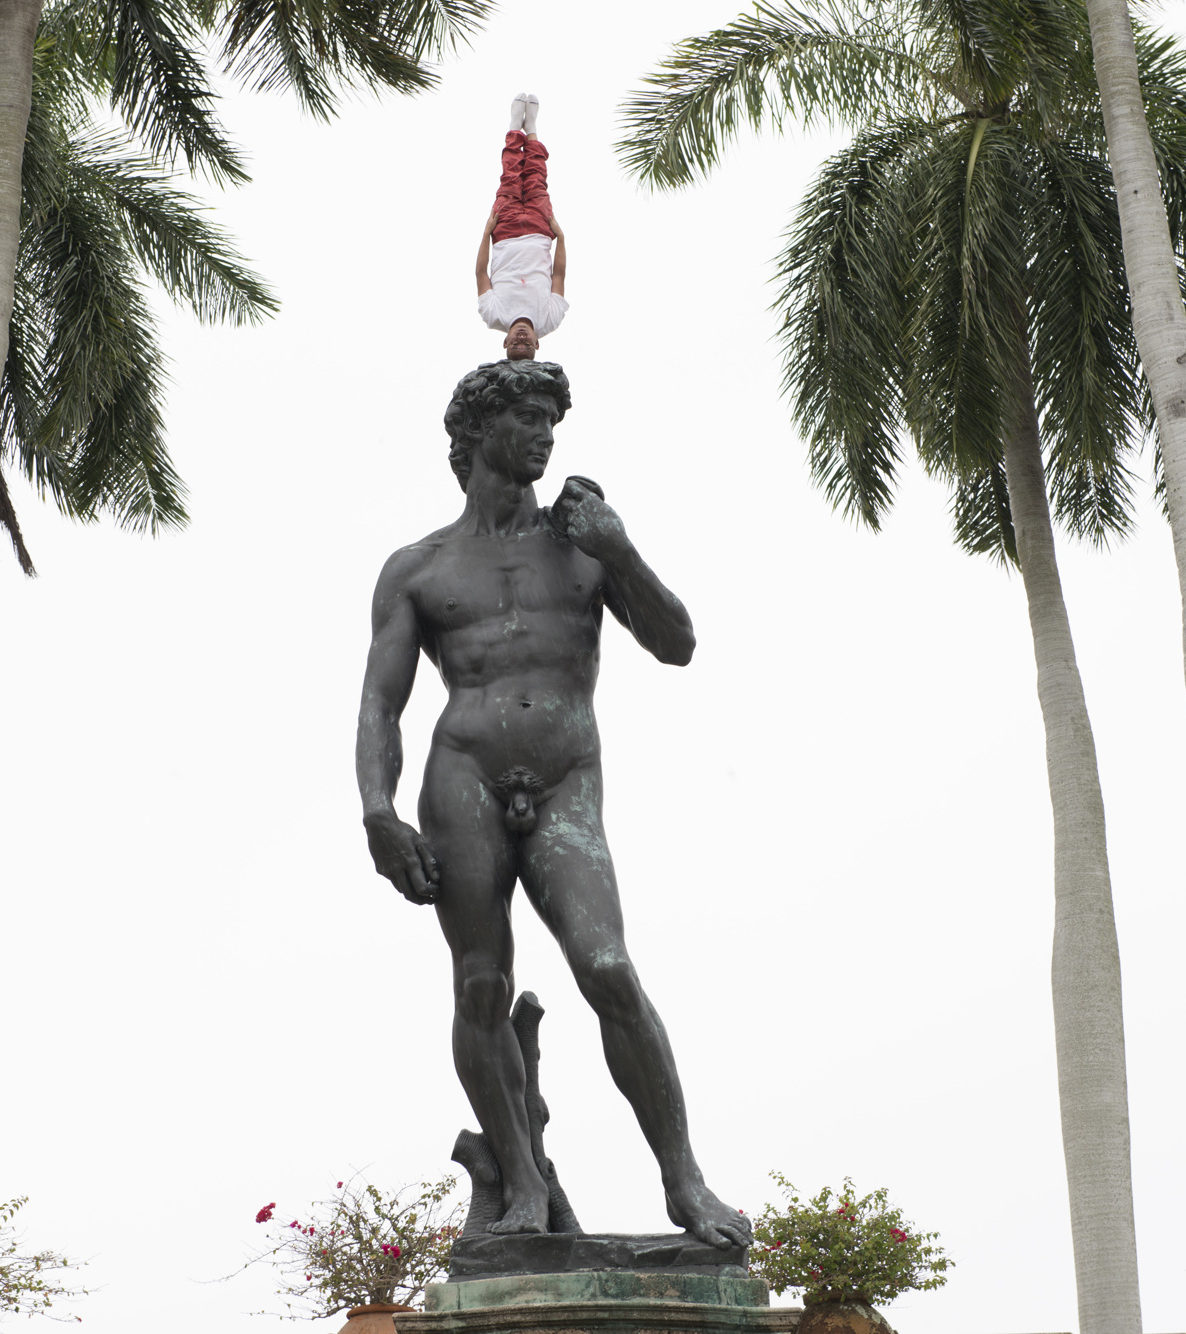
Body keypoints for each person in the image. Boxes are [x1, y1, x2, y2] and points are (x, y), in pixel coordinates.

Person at [355, 360, 750, 1248]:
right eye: (527, 419)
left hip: (567, 773)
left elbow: (678, 642)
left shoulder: (583, 542)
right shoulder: (419, 569)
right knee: (481, 983)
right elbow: (381, 704)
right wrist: (378, 810)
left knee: (606, 965)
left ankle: (684, 1180)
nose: (544, 436)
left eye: (550, 422)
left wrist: (619, 550)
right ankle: (522, 1182)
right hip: (464, 776)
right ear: (477, 434)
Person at [476, 94, 567, 361]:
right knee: (537, 178)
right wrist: (560, 237)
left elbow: (481, 273)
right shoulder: (550, 319)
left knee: (511, 175)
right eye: (526, 345)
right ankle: (533, 130)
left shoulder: (494, 316)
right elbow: (559, 276)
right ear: (537, 344)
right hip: (541, 232)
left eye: (515, 344)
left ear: (506, 340)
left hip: (504, 234)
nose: (522, 339)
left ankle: (515, 128)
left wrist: (486, 233)